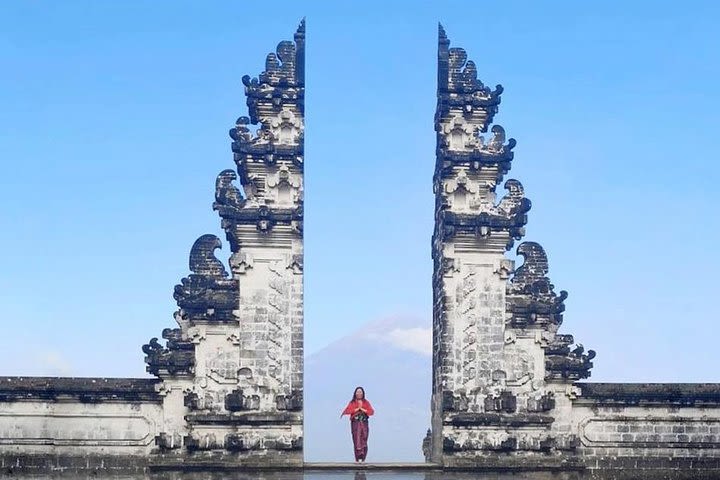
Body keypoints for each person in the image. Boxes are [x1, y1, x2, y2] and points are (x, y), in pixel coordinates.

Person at [340, 386, 375, 462]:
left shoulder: (366, 402)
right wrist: (356, 409)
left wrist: (362, 409)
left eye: (360, 392)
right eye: (358, 392)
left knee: (364, 440)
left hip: (364, 423)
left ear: (363, 394)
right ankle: (357, 459)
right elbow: (347, 411)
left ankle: (363, 459)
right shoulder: (352, 402)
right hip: (355, 424)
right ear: (355, 393)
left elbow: (371, 411)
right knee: (356, 440)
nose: (359, 393)